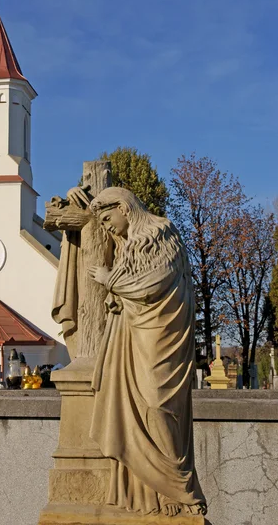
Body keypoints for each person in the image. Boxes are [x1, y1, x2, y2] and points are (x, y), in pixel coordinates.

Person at [87, 187, 207, 517]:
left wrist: (110, 281)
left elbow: (156, 282)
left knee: (158, 404)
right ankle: (155, 490)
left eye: (108, 218)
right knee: (138, 407)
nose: (107, 227)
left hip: (163, 335)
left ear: (124, 208)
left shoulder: (159, 232)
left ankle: (180, 487)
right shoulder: (125, 246)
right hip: (134, 335)